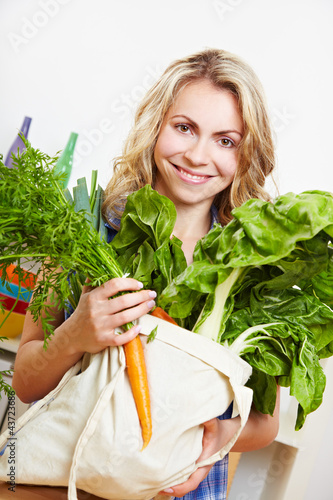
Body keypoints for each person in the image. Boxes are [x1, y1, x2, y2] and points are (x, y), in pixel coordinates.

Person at [12, 48, 280, 499]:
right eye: (185, 128)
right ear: (156, 126)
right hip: (66, 484)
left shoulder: (250, 266)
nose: (198, 155)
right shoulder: (84, 229)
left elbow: (267, 423)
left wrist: (219, 436)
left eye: (226, 140)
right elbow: (25, 381)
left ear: (246, 153)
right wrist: (76, 334)